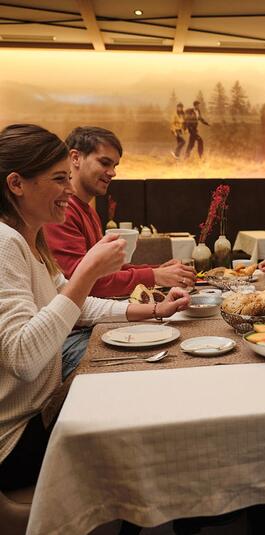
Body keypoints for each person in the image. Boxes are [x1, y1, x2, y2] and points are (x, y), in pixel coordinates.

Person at [0, 124, 190, 491]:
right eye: (59, 179)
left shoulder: (29, 240)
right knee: (144, 436)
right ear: (16, 184)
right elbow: (23, 359)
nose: (69, 190)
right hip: (16, 437)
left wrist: (154, 312)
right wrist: (87, 271)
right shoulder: (6, 243)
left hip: (40, 413)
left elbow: (78, 306)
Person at [44, 126, 196, 298]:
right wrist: (154, 276)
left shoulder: (88, 211)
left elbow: (103, 269)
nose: (113, 172)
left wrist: (157, 270)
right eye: (104, 163)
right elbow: (80, 281)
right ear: (75, 157)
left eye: (114, 165)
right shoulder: (62, 212)